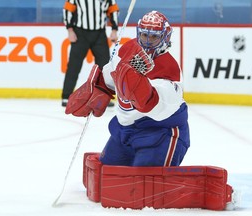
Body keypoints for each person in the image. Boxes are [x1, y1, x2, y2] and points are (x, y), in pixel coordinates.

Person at [65, 11, 190, 167]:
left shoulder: (169, 69)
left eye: (154, 37)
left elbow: (150, 103)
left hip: (160, 133)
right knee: (108, 176)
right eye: (144, 35)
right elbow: (111, 75)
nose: (148, 41)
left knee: (144, 185)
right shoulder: (127, 49)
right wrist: (100, 87)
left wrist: (135, 81)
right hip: (125, 131)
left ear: (165, 37)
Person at [61, 0, 119, 107]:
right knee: (74, 65)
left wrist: (114, 29)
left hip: (99, 34)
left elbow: (113, 9)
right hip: (80, 33)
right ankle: (66, 95)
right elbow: (68, 9)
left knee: (104, 67)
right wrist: (69, 29)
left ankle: (103, 97)